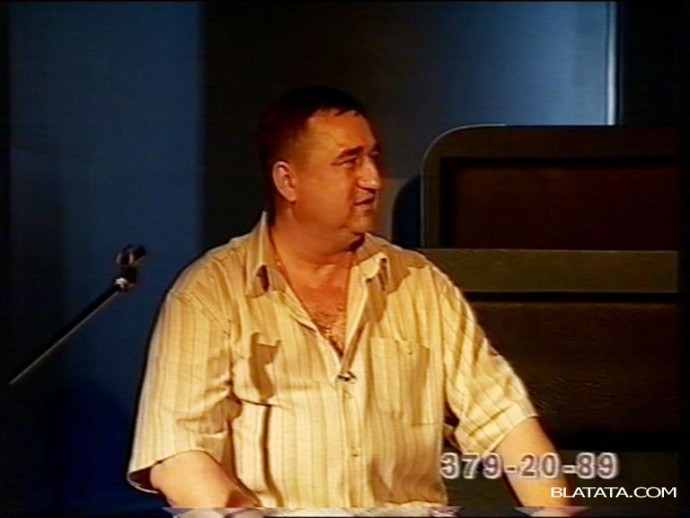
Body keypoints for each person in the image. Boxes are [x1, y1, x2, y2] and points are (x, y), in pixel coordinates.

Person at [128, 86, 576, 515]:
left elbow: (507, 422)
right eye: (349, 162)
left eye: (373, 158)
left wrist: (555, 509)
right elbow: (179, 458)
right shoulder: (210, 294)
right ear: (288, 180)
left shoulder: (421, 285)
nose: (373, 180)